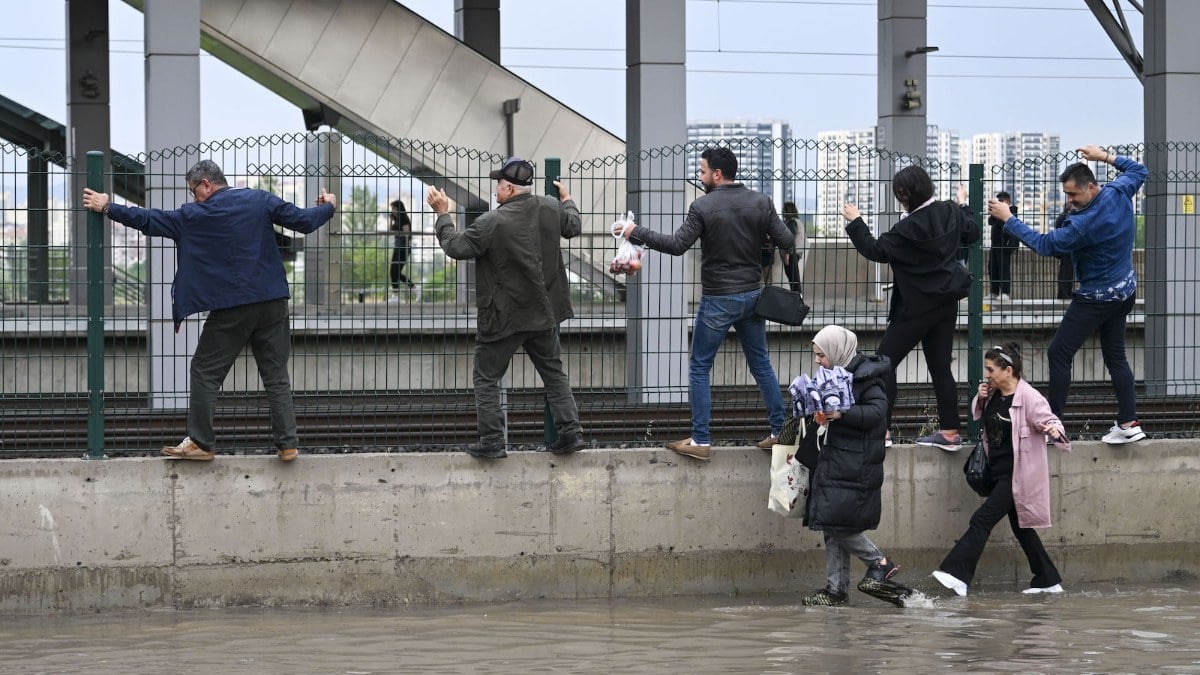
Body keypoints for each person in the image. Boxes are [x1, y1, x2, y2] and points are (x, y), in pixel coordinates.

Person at [80, 160, 337, 462]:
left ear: (206, 184)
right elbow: (304, 221)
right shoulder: (259, 199)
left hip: (232, 308)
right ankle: (288, 443)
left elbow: (149, 220)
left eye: (194, 191)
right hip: (273, 301)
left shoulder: (194, 216)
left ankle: (201, 442)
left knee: (204, 370)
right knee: (276, 374)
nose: (193, 198)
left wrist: (109, 207)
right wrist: (329, 206)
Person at [616, 147, 795, 460]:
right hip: (753, 295)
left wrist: (636, 231)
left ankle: (701, 440)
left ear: (717, 174)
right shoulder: (761, 202)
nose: (699, 177)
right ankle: (780, 431)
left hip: (718, 299)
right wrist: (760, 238)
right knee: (761, 364)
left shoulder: (702, 206)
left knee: (699, 367)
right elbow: (787, 241)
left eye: (701, 172)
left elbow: (676, 245)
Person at [425, 157, 585, 459]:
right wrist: (568, 199)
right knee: (553, 373)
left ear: (510, 188)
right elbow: (573, 225)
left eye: (499, 184)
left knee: (486, 376)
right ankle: (571, 433)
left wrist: (443, 214)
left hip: (504, 317)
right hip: (544, 311)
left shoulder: (492, 221)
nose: (495, 189)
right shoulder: (551, 207)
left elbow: (456, 247)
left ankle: (493, 440)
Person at [987, 145, 1148, 445]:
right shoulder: (1117, 192)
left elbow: (1045, 244)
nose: (1070, 202)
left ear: (1091, 187)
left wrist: (1009, 218)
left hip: (1095, 299)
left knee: (1059, 353)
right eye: (1067, 195)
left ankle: (1053, 425)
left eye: (1074, 195)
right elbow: (1139, 170)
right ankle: (1128, 421)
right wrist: (1104, 157)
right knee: (1116, 356)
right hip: (1125, 291)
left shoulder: (1083, 224)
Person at [842, 166, 979, 451]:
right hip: (945, 303)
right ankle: (950, 432)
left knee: (883, 363)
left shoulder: (906, 229)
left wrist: (856, 221)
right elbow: (973, 232)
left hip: (915, 308)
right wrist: (964, 203)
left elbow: (875, 249)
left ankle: (881, 431)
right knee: (941, 367)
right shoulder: (949, 211)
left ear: (904, 196)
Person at [932, 343, 1071, 597]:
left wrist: (1054, 429)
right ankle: (1047, 579)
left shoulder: (1029, 397)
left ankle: (957, 574)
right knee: (1022, 528)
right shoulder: (994, 393)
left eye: (991, 370)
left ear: (1008, 370)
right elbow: (980, 419)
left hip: (1017, 475)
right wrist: (982, 396)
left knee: (981, 520)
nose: (987, 374)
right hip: (997, 471)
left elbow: (1050, 419)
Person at [800, 325, 913, 607]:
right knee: (831, 522)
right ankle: (835, 589)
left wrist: (843, 413)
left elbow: (877, 413)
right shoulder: (830, 375)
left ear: (837, 352)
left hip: (855, 463)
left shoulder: (866, 378)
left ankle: (880, 563)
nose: (817, 361)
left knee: (838, 522)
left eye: (821, 355)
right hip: (836, 459)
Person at [987, 191, 1019, 301]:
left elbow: (1011, 225)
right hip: (994, 244)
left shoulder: (1012, 210)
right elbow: (990, 222)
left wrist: (1010, 247)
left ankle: (1005, 292)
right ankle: (994, 291)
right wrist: (993, 211)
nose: (1000, 202)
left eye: (1002, 200)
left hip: (1004, 244)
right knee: (992, 268)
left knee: (1003, 269)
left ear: (1008, 201)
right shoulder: (996, 213)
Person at [389, 199, 419, 302]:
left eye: (393, 208)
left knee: (394, 272)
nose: (392, 210)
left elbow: (407, 234)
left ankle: (410, 289)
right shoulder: (396, 220)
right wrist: (391, 220)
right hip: (397, 248)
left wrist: (398, 232)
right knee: (394, 272)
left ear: (398, 209)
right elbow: (390, 231)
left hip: (403, 249)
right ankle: (412, 288)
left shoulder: (404, 219)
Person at [781, 201, 804, 294]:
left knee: (793, 280)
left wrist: (787, 254)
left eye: (784, 209)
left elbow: (790, 238)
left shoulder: (791, 222)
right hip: (796, 253)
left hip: (791, 254)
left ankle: (798, 302)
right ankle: (798, 300)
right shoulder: (796, 221)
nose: (782, 211)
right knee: (794, 279)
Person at [1053, 204, 1075, 300]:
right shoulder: (1065, 217)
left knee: (1068, 271)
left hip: (1065, 248)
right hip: (1066, 248)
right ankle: (1064, 293)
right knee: (1066, 272)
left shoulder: (1064, 216)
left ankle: (1066, 292)